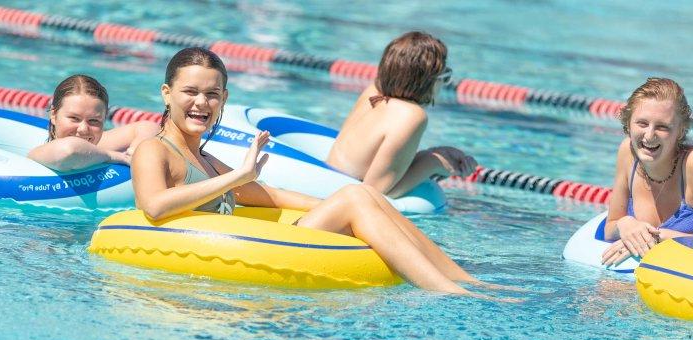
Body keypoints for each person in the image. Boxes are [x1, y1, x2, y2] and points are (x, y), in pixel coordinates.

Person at [132, 47, 512, 296]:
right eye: (190, 92)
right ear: (167, 93)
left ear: (224, 100)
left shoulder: (207, 159)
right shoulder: (155, 149)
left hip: (268, 239)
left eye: (212, 95)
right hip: (223, 251)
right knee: (355, 197)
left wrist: (347, 204)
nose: (202, 103)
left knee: (362, 196)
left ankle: (463, 279)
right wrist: (237, 177)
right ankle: (447, 292)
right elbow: (155, 207)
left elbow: (273, 197)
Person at [601, 77, 693, 266]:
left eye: (662, 127)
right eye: (642, 123)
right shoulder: (628, 153)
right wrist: (626, 224)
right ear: (628, 123)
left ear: (681, 131)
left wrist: (662, 237)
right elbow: (610, 227)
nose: (649, 135)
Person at [326, 31, 477, 198]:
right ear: (428, 81)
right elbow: (374, 194)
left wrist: (432, 152)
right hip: (339, 197)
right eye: (445, 75)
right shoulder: (411, 116)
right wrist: (433, 163)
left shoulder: (373, 93)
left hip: (328, 181)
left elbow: (371, 165)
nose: (444, 83)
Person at [28, 74, 160, 172]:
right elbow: (69, 150)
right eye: (74, 118)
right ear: (53, 115)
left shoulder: (97, 146)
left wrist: (135, 154)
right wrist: (115, 156)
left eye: (94, 120)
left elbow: (148, 127)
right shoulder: (41, 153)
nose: (84, 129)